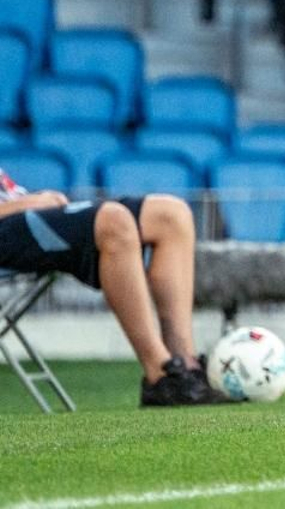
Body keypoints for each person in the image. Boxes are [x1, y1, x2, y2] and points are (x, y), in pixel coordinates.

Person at [0, 168, 225, 405]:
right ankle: (161, 377)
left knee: (171, 214)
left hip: (21, 215)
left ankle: (186, 368)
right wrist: (29, 203)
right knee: (113, 220)